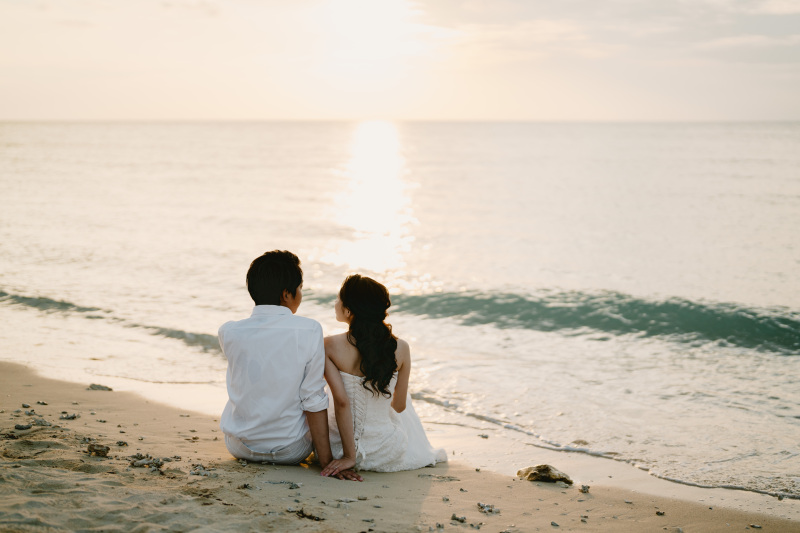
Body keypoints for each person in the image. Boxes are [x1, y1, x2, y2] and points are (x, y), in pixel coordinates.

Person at [218, 250, 360, 481]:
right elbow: (312, 398)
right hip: (290, 451)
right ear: (286, 294)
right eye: (300, 288)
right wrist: (326, 462)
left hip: (239, 447)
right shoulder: (309, 329)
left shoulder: (228, 331)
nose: (301, 294)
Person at [321, 274, 447, 477]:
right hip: (387, 450)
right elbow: (399, 406)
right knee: (401, 400)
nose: (335, 303)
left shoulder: (329, 345)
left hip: (338, 449)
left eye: (338, 298)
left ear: (349, 310)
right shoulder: (402, 348)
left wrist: (349, 456)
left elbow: (342, 403)